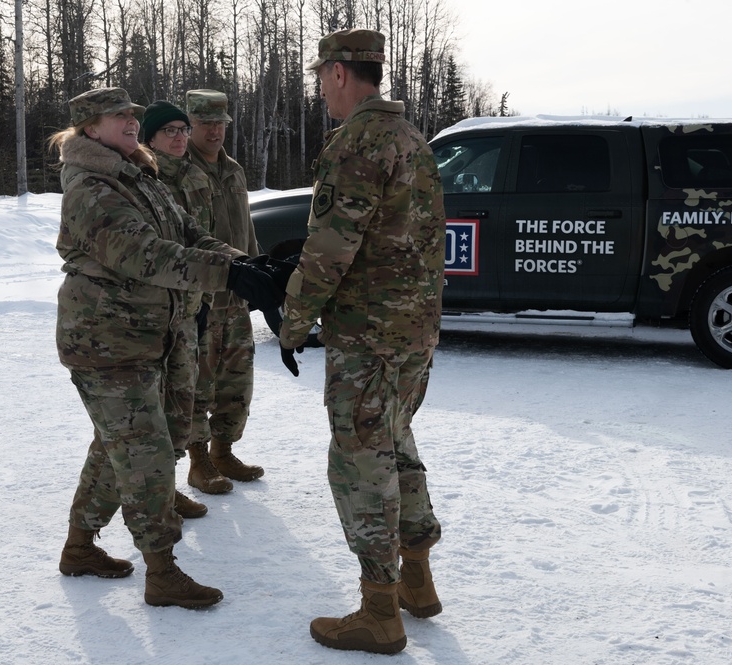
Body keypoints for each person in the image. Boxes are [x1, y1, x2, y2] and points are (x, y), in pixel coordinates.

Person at [50, 87, 282, 609]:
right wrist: (228, 272)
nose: (132, 123)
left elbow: (186, 233)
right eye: (119, 118)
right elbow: (144, 254)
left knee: (119, 447)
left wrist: (246, 265)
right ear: (90, 128)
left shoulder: (136, 174)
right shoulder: (91, 185)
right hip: (107, 340)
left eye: (133, 116)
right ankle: (162, 571)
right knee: (145, 455)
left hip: (152, 333)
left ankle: (80, 547)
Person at [278, 29, 447, 654]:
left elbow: (329, 250)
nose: (321, 87)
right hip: (411, 334)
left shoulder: (360, 142)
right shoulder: (410, 138)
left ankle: (380, 609)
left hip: (369, 336)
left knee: (359, 460)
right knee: (396, 443)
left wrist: (293, 321)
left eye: (323, 75)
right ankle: (418, 583)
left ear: (342, 74)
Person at [185, 89, 264, 495]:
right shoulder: (180, 172)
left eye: (221, 124)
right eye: (205, 124)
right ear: (190, 125)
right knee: (199, 380)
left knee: (237, 379)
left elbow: (245, 228)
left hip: (235, 295)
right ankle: (197, 459)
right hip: (201, 298)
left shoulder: (233, 170)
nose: (215, 132)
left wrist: (257, 273)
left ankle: (223, 449)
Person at [140, 100, 215, 519]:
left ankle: (171, 486)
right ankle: (155, 496)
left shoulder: (195, 175)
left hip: (192, 302)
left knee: (185, 400)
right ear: (150, 138)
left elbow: (203, 235)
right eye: (169, 131)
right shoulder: (146, 181)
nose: (180, 137)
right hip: (159, 309)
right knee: (156, 408)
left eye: (184, 130)